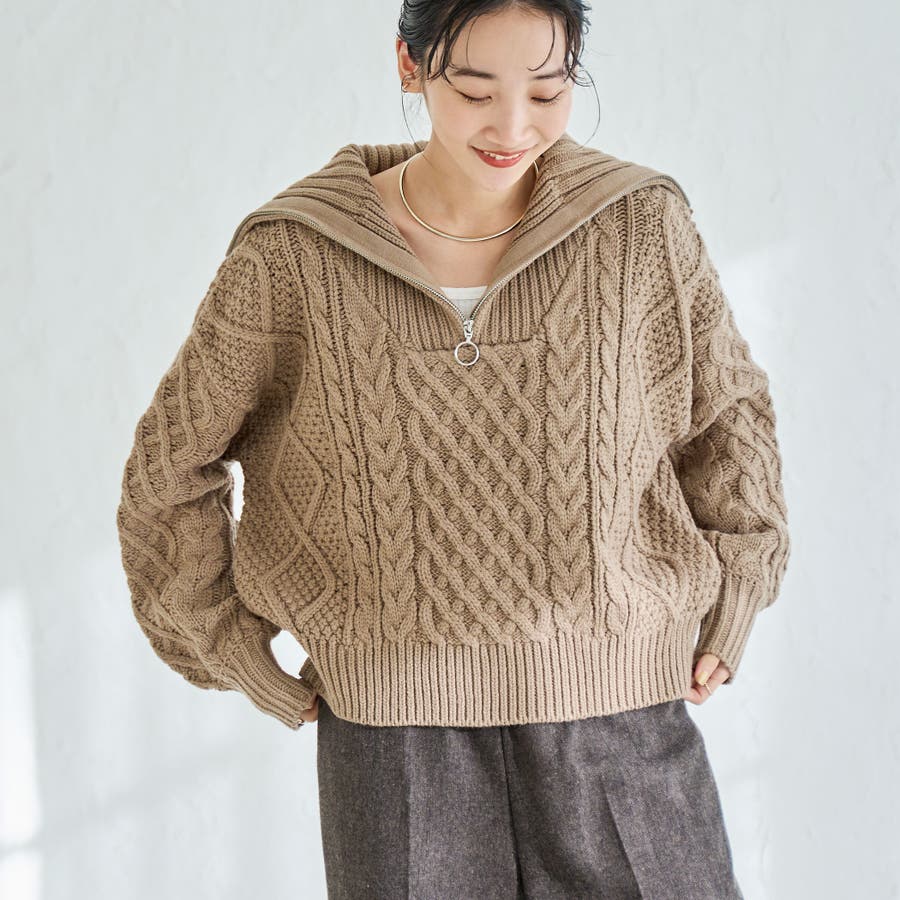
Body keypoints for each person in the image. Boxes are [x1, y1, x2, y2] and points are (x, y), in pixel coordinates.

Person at [116, 1, 791, 896]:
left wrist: (739, 587)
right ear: (410, 64)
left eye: (547, 91)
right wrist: (235, 650)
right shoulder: (293, 258)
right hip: (394, 747)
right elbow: (169, 467)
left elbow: (728, 414)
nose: (513, 127)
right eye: (475, 91)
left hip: (621, 722)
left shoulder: (638, 227)